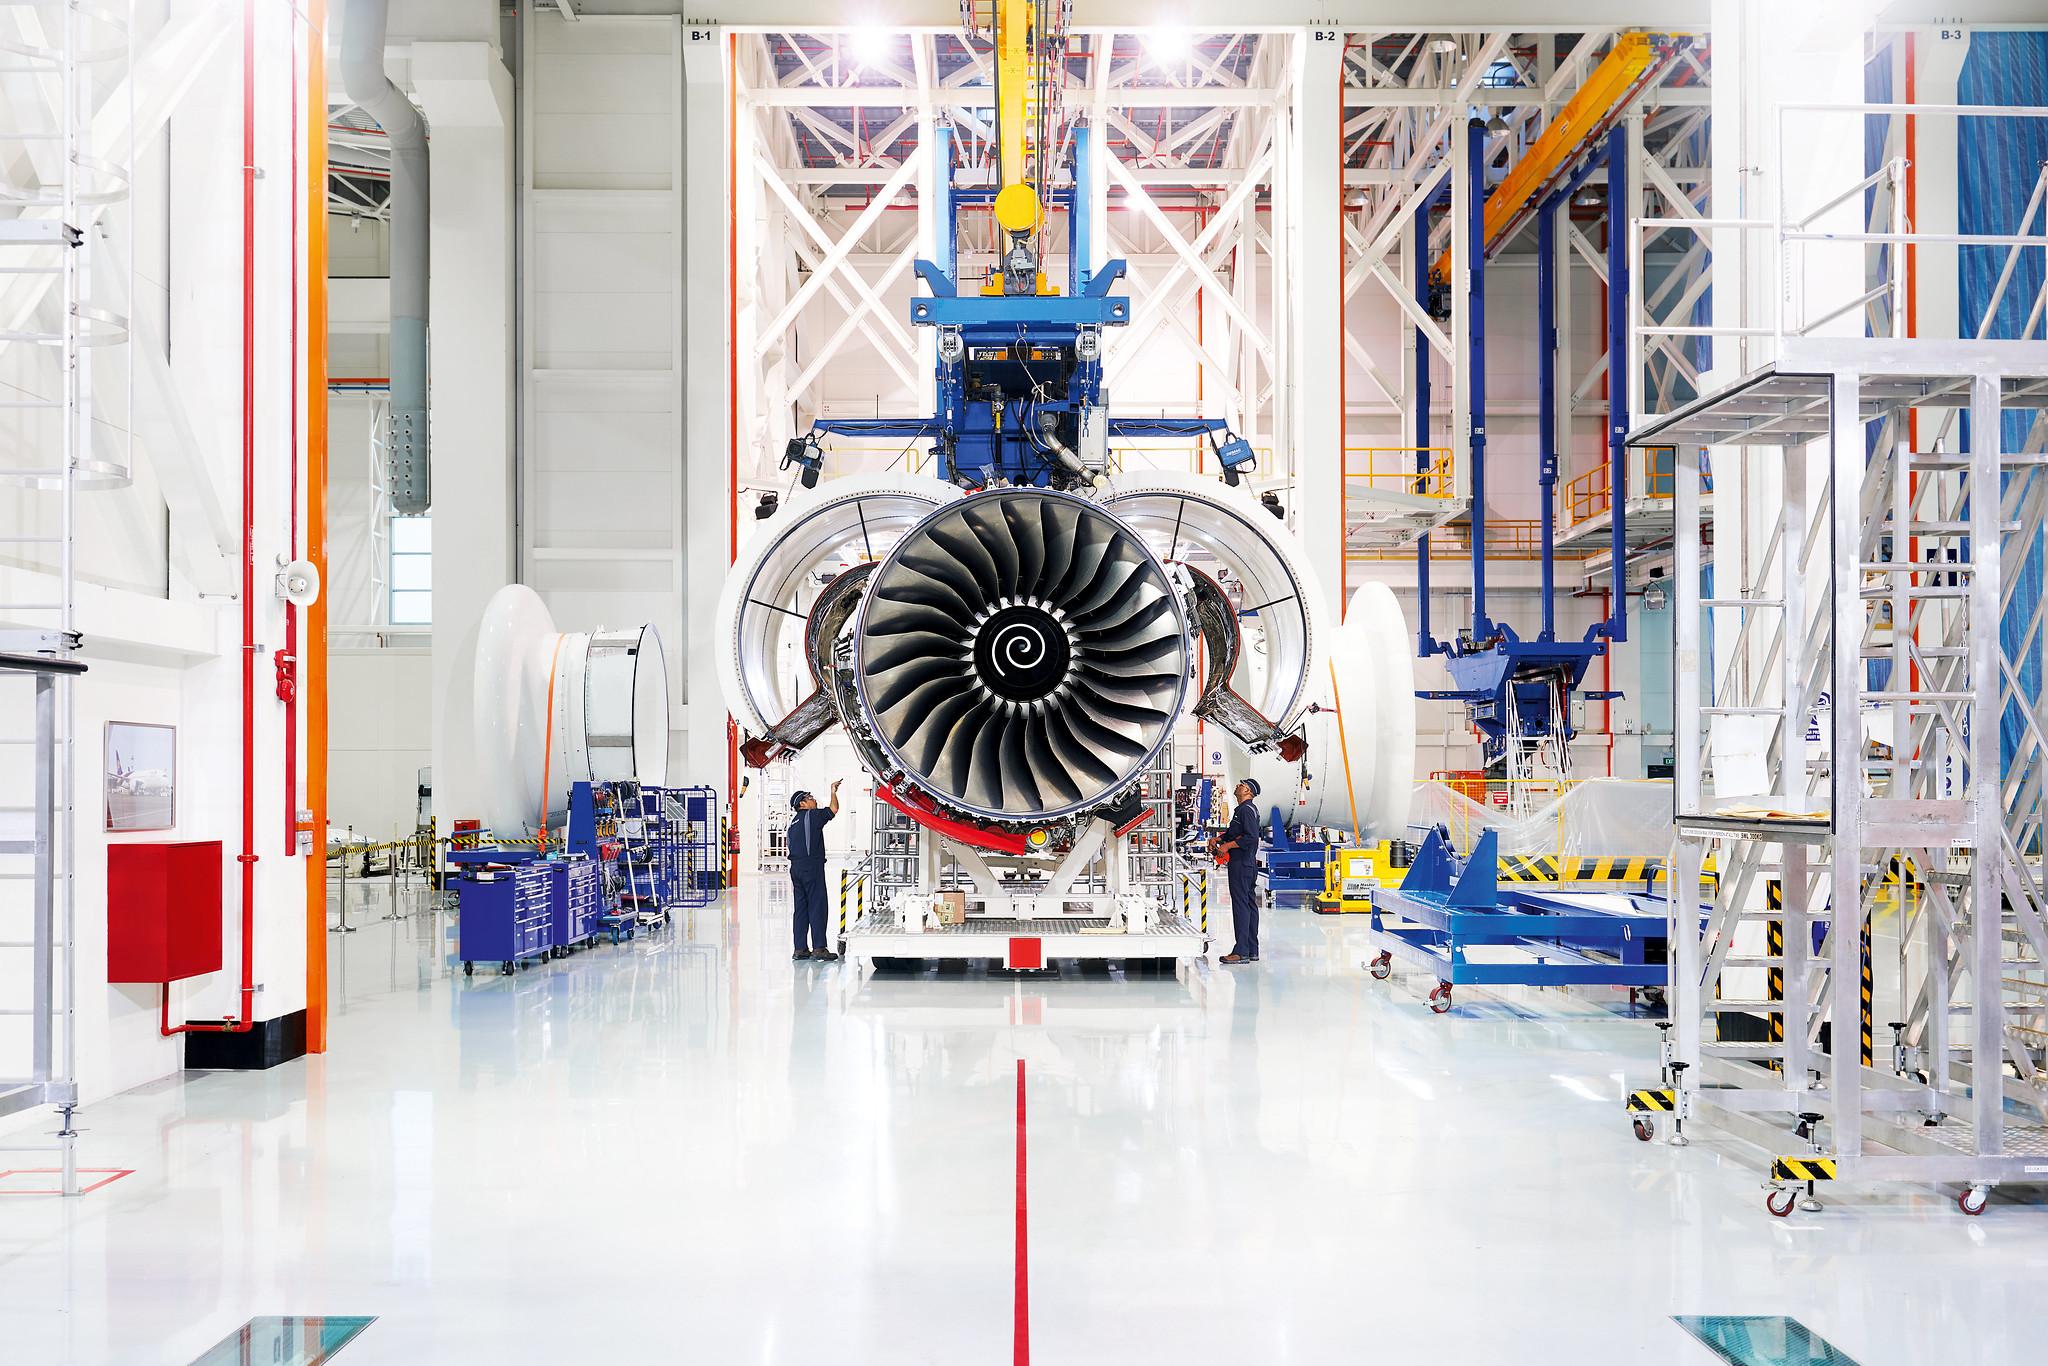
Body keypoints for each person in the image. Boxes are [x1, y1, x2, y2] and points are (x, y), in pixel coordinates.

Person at [787, 780, 841, 962]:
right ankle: (819, 948)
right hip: (811, 867)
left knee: (801, 909)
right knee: (817, 905)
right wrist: (833, 791)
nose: (814, 800)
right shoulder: (811, 816)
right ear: (802, 804)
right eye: (809, 798)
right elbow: (833, 809)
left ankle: (800, 949)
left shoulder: (792, 823)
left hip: (796, 869)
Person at [1211, 778, 1263, 964]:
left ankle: (1241, 952)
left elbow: (1251, 837)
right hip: (1247, 863)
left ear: (1248, 791)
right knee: (1249, 905)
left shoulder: (1246, 810)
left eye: (1241, 785)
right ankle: (1252, 950)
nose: (1237, 786)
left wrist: (1227, 846)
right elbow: (1235, 833)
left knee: (1241, 906)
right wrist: (1219, 839)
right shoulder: (1245, 810)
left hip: (1241, 864)